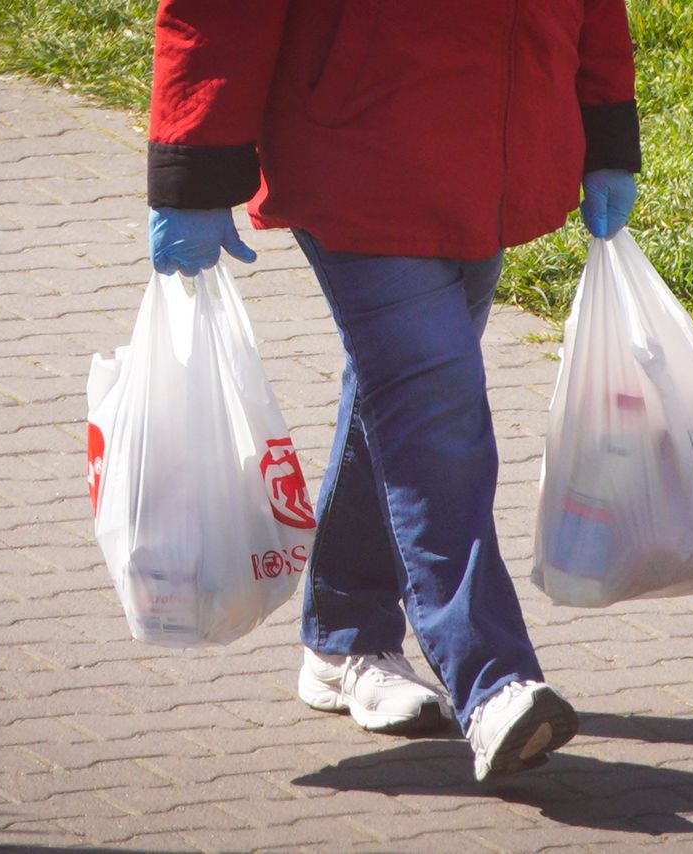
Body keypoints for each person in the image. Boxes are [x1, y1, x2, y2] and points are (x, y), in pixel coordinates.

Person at [146, 2, 640, 782]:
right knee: (436, 415)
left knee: (402, 401)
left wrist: (605, 131)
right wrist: (191, 169)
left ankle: (345, 640)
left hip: (497, 151)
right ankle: (493, 681)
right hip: (359, 152)